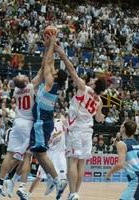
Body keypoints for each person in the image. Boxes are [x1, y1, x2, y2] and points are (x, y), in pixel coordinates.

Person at [17, 35, 68, 200]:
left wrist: (52, 44)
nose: (51, 71)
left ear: (54, 77)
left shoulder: (49, 84)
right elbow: (48, 64)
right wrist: (49, 47)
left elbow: (47, 64)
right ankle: (55, 179)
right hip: (44, 122)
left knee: (40, 153)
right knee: (38, 153)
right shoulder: (53, 83)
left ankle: (57, 180)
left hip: (41, 123)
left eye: (53, 72)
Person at [55, 45, 107, 200]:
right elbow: (99, 119)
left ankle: (71, 193)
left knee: (72, 162)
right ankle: (75, 193)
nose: (91, 79)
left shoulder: (83, 88)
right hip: (88, 131)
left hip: (76, 129)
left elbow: (71, 70)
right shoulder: (100, 102)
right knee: (82, 164)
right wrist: (101, 116)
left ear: (94, 85)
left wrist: (62, 54)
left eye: (94, 80)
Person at [0, 69, 43, 200]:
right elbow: (42, 71)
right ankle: (22, 187)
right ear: (25, 81)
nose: (22, 74)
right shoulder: (31, 86)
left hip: (17, 122)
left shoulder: (16, 91)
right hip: (28, 124)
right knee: (27, 157)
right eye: (22, 76)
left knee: (9, 155)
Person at [106, 120, 139, 200]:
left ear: (124, 129)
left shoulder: (121, 144)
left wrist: (109, 173)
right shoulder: (138, 144)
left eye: (122, 125)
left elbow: (120, 164)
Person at [28, 112, 67, 197]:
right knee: (39, 176)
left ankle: (58, 196)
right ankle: (28, 194)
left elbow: (65, 122)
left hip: (59, 154)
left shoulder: (59, 121)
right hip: (49, 154)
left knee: (62, 179)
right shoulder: (47, 127)